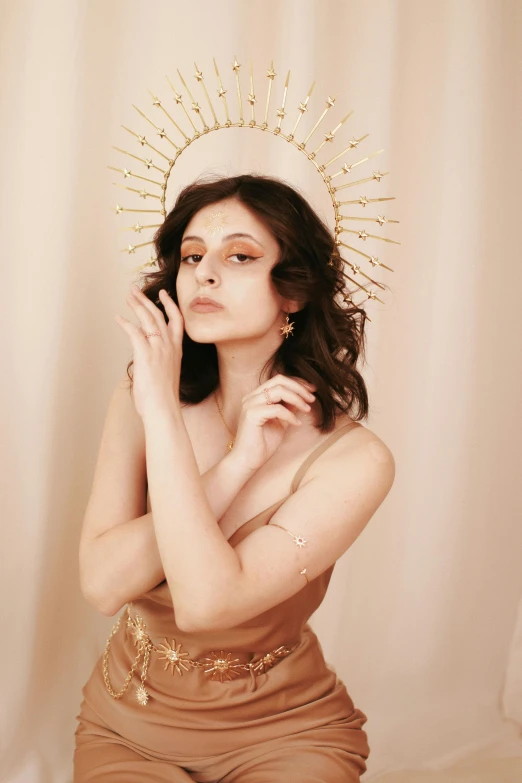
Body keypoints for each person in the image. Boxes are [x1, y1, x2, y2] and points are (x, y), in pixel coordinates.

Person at [73, 174, 395, 782]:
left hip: (287, 732)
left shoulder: (357, 461)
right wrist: (232, 461)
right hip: (128, 729)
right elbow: (104, 584)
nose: (204, 273)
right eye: (192, 256)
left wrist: (162, 415)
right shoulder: (143, 395)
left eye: (240, 256)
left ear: (293, 291)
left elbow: (205, 603)